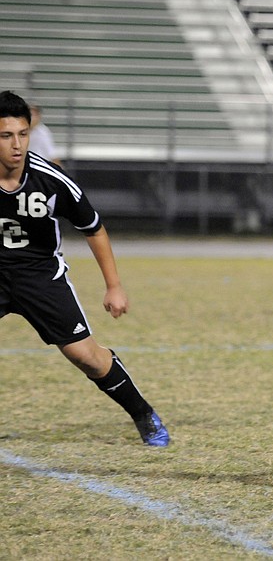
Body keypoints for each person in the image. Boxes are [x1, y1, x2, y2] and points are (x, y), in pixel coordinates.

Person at [0, 90, 169, 447]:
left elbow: (93, 228)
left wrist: (114, 286)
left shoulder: (52, 180)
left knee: (86, 357)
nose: (17, 145)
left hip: (41, 277)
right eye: (6, 136)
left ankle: (144, 415)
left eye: (23, 134)